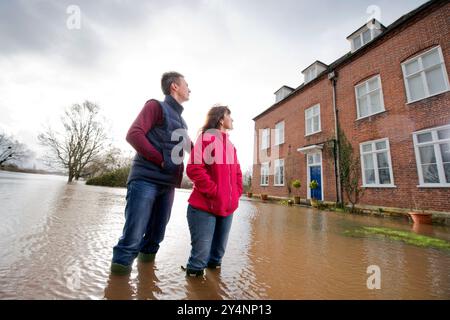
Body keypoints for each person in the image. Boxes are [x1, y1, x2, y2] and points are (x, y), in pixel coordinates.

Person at [111, 71, 191, 275]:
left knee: (156, 237)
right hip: (145, 180)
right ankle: (117, 288)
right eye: (186, 85)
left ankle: (146, 285)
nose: (189, 89)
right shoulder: (155, 106)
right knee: (132, 237)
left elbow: (193, 148)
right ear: (174, 86)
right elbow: (133, 134)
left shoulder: (183, 123)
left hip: (168, 185)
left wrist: (218, 158)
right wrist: (161, 159)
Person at [184, 105, 243, 277]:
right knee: (199, 260)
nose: (232, 119)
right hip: (204, 208)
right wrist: (215, 191)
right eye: (229, 115)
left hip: (227, 209)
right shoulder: (206, 139)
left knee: (217, 258)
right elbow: (194, 168)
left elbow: (238, 173)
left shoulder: (231, 146)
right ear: (220, 119)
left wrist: (236, 194)